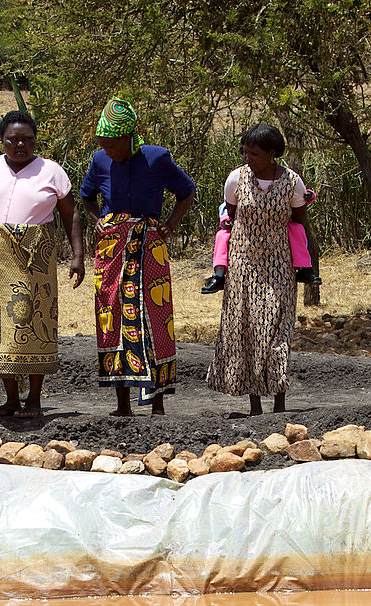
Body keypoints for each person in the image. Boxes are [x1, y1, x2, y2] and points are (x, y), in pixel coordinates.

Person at [0, 110, 84, 418]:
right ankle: (11, 399)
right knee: (0, 327)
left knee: (36, 322)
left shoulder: (51, 171)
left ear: (35, 141)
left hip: (35, 255)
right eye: (13, 140)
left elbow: (71, 215)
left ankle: (34, 399)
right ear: (2, 140)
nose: (20, 145)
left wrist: (78, 256)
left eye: (27, 140)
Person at [80, 97, 195, 416]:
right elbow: (87, 196)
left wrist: (170, 224)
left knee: (155, 318)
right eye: (103, 144)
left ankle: (157, 404)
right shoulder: (100, 161)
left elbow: (186, 191)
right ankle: (123, 406)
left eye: (112, 144)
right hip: (112, 252)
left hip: (149, 249)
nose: (108, 151)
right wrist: (98, 222)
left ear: (129, 137)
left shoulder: (157, 158)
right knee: (112, 316)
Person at [205, 123, 310, 416]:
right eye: (246, 152)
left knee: (278, 328)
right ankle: (254, 404)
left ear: (273, 153)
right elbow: (230, 220)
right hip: (243, 262)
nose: (248, 158)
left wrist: (304, 263)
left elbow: (299, 221)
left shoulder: (292, 182)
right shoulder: (236, 179)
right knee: (248, 328)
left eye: (255, 153)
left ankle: (279, 399)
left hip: (279, 263)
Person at [202, 186, 319, 294]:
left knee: (297, 229)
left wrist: (309, 196)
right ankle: (219, 275)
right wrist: (226, 219)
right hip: (246, 229)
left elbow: (298, 198)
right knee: (222, 235)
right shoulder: (240, 184)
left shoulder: (283, 182)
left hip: (279, 225)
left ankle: (305, 268)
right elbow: (226, 206)